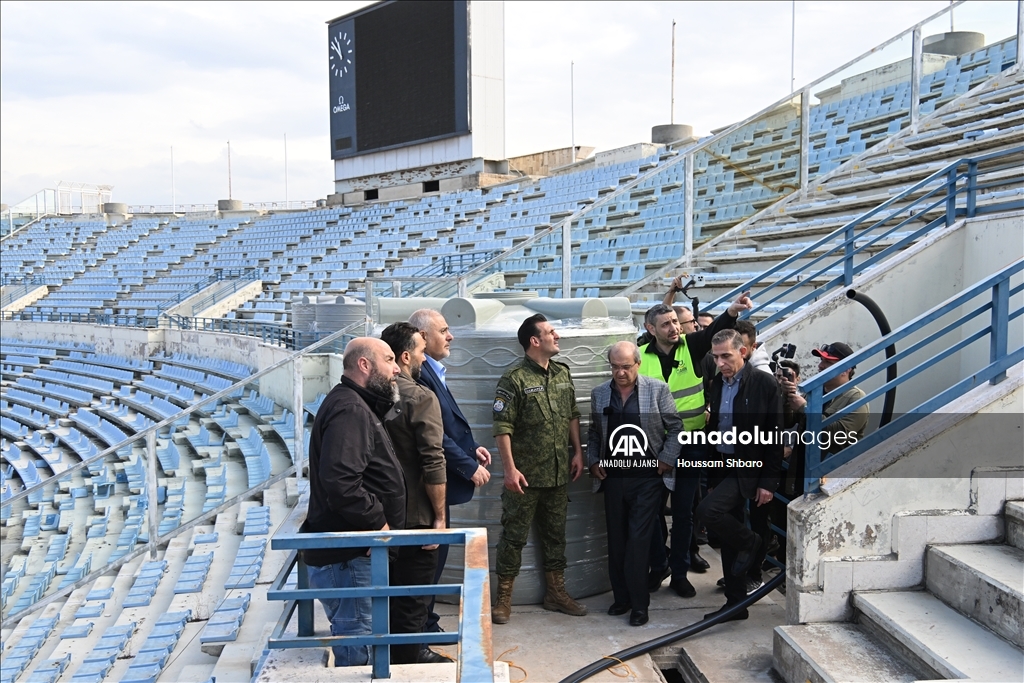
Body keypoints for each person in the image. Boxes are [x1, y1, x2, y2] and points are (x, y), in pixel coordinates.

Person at [638, 293, 752, 599]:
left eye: (676, 321)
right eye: (666, 324)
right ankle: (658, 565)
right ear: (651, 329)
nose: (674, 328)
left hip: (691, 444)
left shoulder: (692, 346)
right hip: (654, 447)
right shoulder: (641, 355)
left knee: (685, 512)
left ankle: (679, 572)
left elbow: (714, 330)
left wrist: (731, 311)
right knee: (651, 510)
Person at [302, 337, 406, 666]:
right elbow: (341, 481)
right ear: (364, 365)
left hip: (352, 554)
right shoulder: (350, 408)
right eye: (389, 360)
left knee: (362, 639)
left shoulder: (353, 403)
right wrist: (379, 523)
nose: (397, 368)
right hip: (350, 557)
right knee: (358, 645)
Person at [491, 313, 587, 624]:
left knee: (555, 536)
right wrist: (509, 469)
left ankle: (556, 594)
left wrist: (578, 452)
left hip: (559, 473)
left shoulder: (561, 373)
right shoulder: (514, 378)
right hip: (526, 476)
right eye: (551, 332)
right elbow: (502, 426)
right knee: (513, 537)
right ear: (535, 341)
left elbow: (572, 414)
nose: (556, 336)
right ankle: (503, 598)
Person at [408, 309, 492, 633]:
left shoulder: (432, 371)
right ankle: (421, 630)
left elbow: (445, 424)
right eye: (444, 330)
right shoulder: (418, 374)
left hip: (440, 479)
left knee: (436, 559)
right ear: (424, 338)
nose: (451, 336)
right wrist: (467, 466)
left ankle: (426, 624)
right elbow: (433, 435)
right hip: (430, 484)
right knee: (429, 560)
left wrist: (472, 451)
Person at [588, 341, 681, 626]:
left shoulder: (656, 389)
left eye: (625, 367)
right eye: (614, 367)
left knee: (638, 541)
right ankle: (622, 598)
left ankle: (640, 605)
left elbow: (676, 427)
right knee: (616, 540)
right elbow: (594, 433)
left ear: (637, 364)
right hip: (614, 477)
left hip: (647, 478)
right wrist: (594, 461)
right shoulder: (600, 394)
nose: (620, 373)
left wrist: (666, 458)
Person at [697, 329, 784, 622]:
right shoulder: (718, 384)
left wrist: (768, 482)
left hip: (748, 465)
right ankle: (735, 604)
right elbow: (715, 430)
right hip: (722, 463)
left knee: (708, 512)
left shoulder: (764, 383)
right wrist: (710, 478)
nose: (720, 363)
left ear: (742, 352)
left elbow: (774, 435)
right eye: (716, 357)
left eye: (726, 356)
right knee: (725, 530)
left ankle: (752, 543)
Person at [379, 323, 448, 665]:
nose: (424, 357)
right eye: (421, 351)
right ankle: (411, 659)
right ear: (405, 357)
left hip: (381, 516)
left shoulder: (372, 393)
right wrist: (439, 517)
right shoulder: (420, 397)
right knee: (414, 597)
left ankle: (391, 659)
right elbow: (433, 459)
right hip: (417, 515)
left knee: (386, 595)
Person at [784, 342, 869, 458]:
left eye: (828, 362)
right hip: (802, 464)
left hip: (831, 470)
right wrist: (788, 396)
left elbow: (840, 435)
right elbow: (788, 422)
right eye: (821, 360)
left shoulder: (856, 398)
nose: (820, 365)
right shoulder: (814, 393)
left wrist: (805, 408)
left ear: (846, 369)